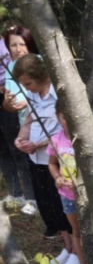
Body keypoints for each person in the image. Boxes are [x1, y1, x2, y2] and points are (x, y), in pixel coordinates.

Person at [12, 54, 74, 252]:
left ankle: (75, 247)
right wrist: (21, 137)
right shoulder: (33, 94)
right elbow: (30, 117)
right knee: (47, 204)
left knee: (61, 203)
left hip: (55, 158)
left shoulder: (59, 92)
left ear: (39, 76)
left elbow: (64, 130)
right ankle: (67, 246)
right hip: (35, 156)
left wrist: (40, 143)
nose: (27, 88)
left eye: (28, 83)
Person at [47, 115, 88, 264]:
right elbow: (52, 164)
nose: (68, 120)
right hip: (67, 195)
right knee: (76, 231)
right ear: (58, 117)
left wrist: (80, 182)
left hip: (86, 195)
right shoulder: (56, 139)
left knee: (91, 231)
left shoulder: (86, 138)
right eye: (64, 116)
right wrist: (57, 178)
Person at [0, 24, 36, 213]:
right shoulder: (10, 63)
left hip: (38, 121)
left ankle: (33, 198)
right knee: (9, 152)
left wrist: (23, 101)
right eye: (14, 45)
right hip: (17, 113)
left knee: (23, 153)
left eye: (21, 44)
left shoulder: (38, 61)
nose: (18, 48)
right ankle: (23, 196)